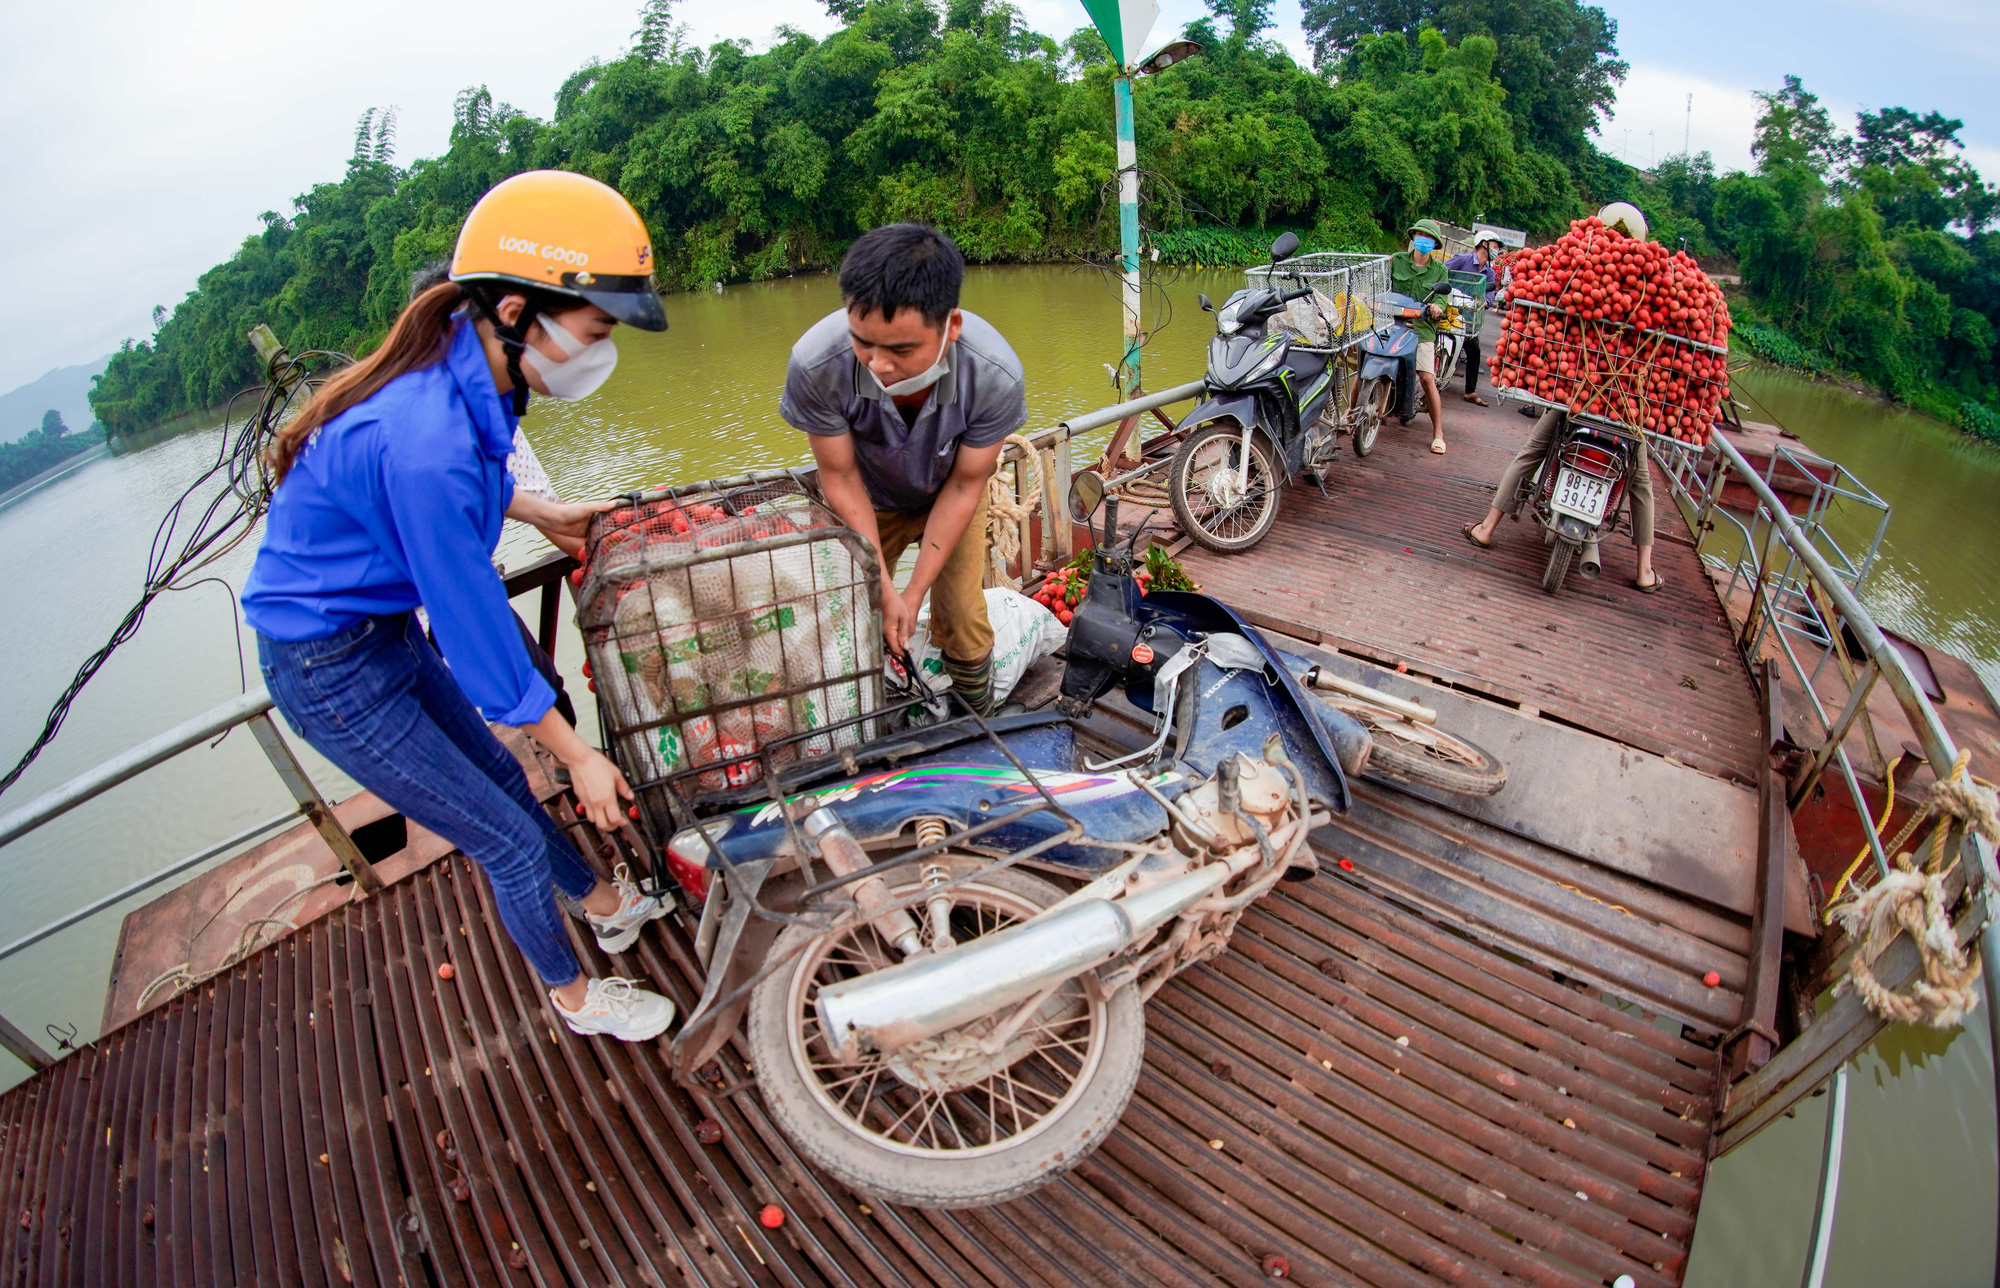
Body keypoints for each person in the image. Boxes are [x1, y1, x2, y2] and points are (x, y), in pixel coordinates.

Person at [242, 171, 682, 1042]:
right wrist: (576, 751)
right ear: (517, 310)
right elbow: (474, 620)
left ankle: (600, 900)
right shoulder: (422, 436)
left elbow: (470, 481)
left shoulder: (469, 366)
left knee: (500, 781)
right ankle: (575, 997)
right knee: (506, 840)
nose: (602, 351)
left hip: (381, 631)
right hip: (328, 669)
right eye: (596, 329)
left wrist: (541, 509)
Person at [781, 224, 1028, 716]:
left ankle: (978, 716)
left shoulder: (995, 376)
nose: (878, 365)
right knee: (852, 616)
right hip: (867, 498)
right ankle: (858, 725)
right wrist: (886, 588)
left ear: (950, 327)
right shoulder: (817, 365)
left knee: (960, 614)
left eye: (901, 350)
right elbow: (840, 476)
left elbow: (964, 485)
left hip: (949, 493)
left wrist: (913, 594)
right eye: (863, 343)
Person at [1460, 409, 1662, 591]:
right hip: (1629, 414)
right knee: (1641, 483)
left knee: (1532, 451)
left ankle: (1486, 529)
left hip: (1578, 400)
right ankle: (1644, 571)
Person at [1394, 220, 1452, 454]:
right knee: (1366, 364)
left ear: (1434, 244)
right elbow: (1380, 284)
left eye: (1429, 238)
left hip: (1422, 328)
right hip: (1392, 324)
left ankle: (1438, 433)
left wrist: (1437, 307)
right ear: (1413, 237)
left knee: (1427, 378)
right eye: (1420, 235)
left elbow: (1441, 299)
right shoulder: (1396, 260)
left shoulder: (1440, 270)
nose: (1424, 240)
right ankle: (1351, 416)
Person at [1443, 235, 1502, 407]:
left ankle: (1470, 391)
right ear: (1484, 244)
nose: (1496, 250)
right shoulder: (1461, 260)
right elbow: (1440, 271)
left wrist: (1485, 302)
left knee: (1474, 351)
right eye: (1495, 246)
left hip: (1469, 318)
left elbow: (1490, 293)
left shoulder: (1489, 273)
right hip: (1448, 312)